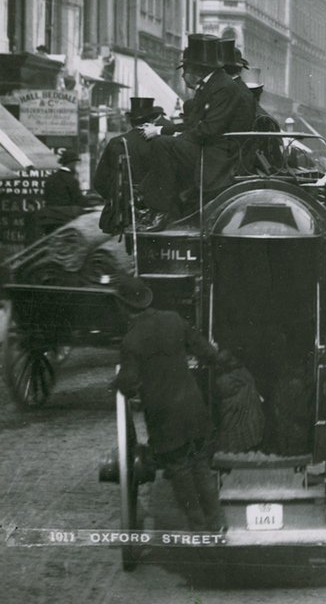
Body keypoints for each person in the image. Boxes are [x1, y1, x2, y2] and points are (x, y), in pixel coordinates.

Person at [111, 274, 225, 533]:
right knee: (200, 464)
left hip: (166, 419)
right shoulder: (173, 320)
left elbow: (128, 385)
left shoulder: (131, 341)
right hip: (193, 409)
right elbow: (208, 353)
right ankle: (217, 522)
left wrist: (118, 382)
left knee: (180, 471)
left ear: (123, 306)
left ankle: (197, 527)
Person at [138, 34, 256, 230]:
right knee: (165, 143)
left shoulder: (222, 87)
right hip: (214, 148)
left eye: (186, 68)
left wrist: (171, 135)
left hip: (219, 154)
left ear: (196, 69)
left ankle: (161, 210)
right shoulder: (214, 85)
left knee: (162, 145)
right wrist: (164, 130)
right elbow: (195, 124)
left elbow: (209, 129)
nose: (184, 74)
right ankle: (156, 201)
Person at [93, 98, 172, 234]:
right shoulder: (163, 143)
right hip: (157, 215)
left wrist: (119, 199)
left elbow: (99, 182)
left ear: (131, 121)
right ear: (153, 121)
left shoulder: (116, 143)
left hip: (125, 214)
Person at [39, 148, 91, 230]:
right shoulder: (71, 179)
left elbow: (46, 197)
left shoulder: (50, 178)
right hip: (65, 220)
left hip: (48, 218)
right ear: (72, 163)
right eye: (76, 163)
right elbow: (78, 200)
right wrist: (91, 203)